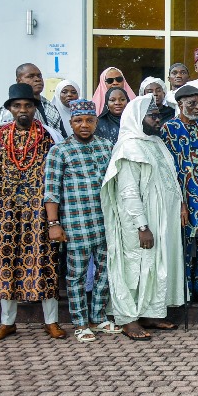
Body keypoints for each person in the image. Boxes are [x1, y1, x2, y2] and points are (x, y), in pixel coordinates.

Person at [101, 95, 185, 340]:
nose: (158, 120)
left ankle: (150, 313)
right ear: (138, 118)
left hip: (161, 220)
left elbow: (170, 179)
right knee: (135, 267)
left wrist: (179, 206)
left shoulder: (155, 143)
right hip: (140, 222)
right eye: (153, 116)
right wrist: (141, 226)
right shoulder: (129, 147)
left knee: (155, 267)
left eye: (158, 115)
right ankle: (128, 318)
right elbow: (128, 192)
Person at [0, 83, 61, 340]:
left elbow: (57, 176)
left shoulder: (49, 135)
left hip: (38, 212)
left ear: (34, 108)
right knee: (7, 263)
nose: (22, 110)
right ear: (10, 109)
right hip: (6, 211)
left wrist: (55, 216)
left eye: (27, 105)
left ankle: (51, 320)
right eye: (17, 106)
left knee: (44, 264)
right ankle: (8, 322)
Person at [43, 99, 117, 341]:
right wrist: (54, 224)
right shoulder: (59, 150)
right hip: (76, 224)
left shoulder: (107, 146)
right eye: (78, 121)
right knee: (76, 275)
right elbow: (51, 191)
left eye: (89, 120)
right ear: (71, 123)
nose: (84, 125)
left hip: (104, 221)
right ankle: (80, 323)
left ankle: (98, 318)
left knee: (105, 272)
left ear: (96, 122)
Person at [161, 84, 198, 305]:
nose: (197, 107)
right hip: (181, 195)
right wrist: (179, 203)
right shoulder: (168, 129)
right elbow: (166, 168)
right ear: (179, 104)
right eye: (192, 103)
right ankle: (183, 292)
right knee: (183, 245)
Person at [0, 63, 66, 138]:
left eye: (39, 76)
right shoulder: (9, 110)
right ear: (19, 81)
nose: (37, 79)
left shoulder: (50, 105)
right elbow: (4, 137)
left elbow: (62, 135)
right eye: (30, 76)